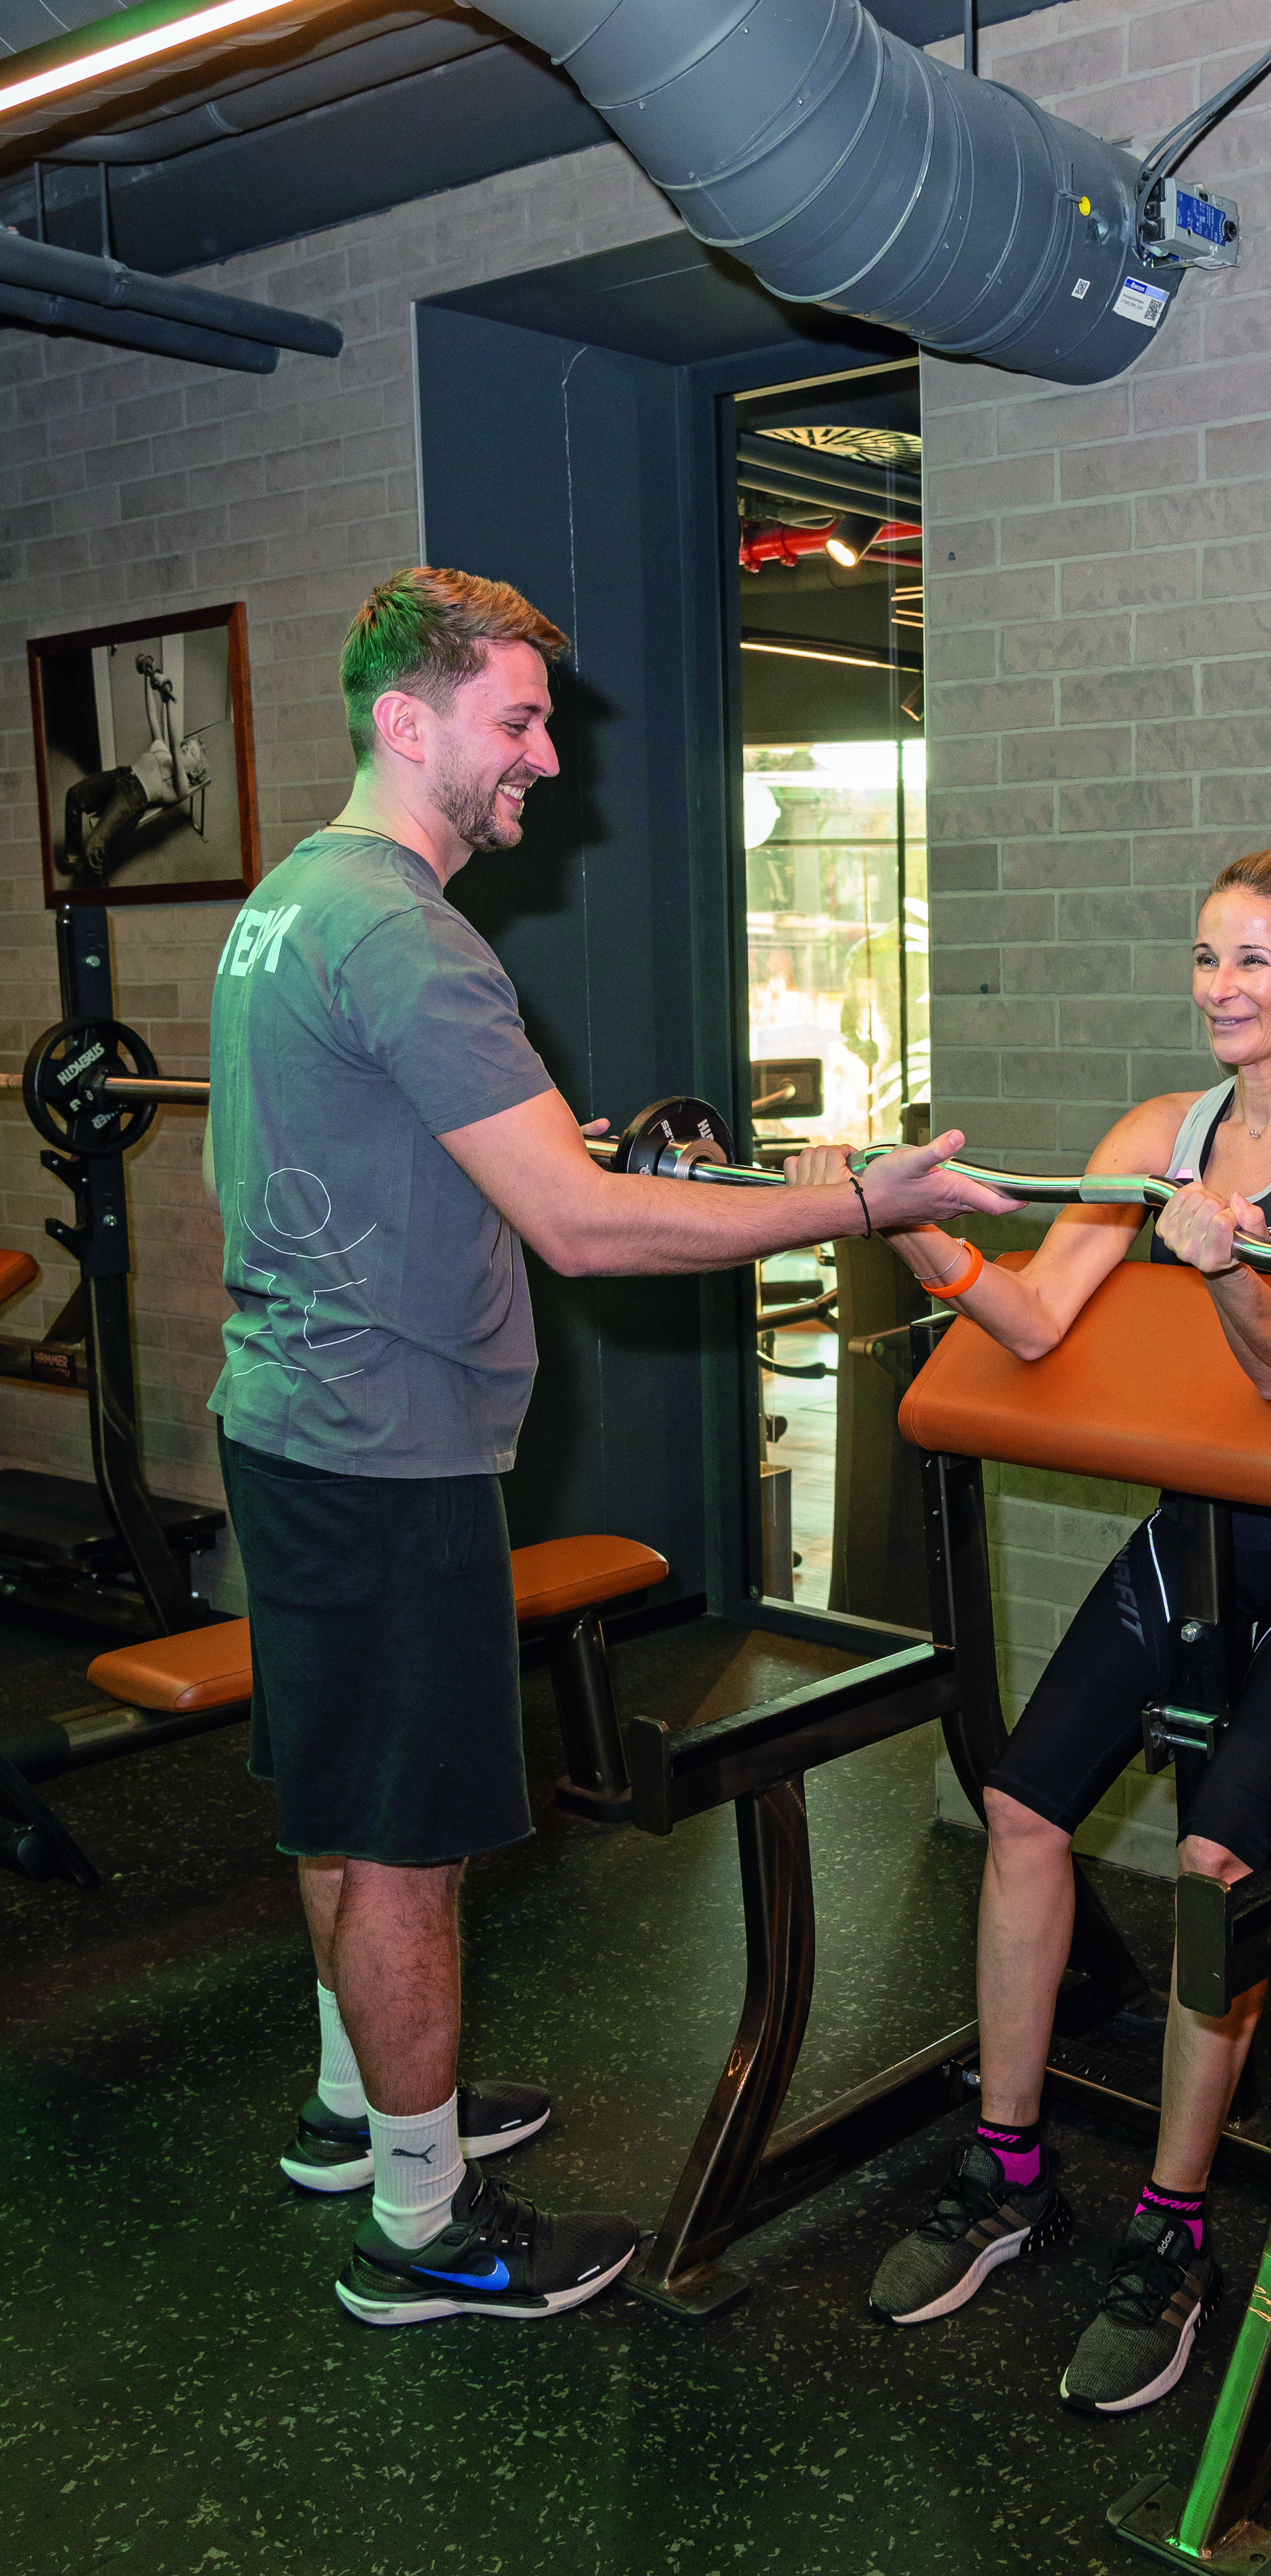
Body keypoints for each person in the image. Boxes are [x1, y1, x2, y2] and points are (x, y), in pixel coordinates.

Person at [204, 566, 1015, 2328]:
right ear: (407, 723)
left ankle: (359, 2110)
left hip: (292, 1419)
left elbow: (399, 1148)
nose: (544, 760)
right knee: (408, 1837)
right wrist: (858, 1195)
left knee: (340, 1793)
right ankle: (422, 2230)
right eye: (514, 721)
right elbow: (581, 1231)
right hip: (386, 1442)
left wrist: (537, 1152)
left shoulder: (290, 900)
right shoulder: (409, 932)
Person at [791, 845, 1271, 2415]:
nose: (1220, 987)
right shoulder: (1157, 1133)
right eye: (1206, 958)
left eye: (1254, 961)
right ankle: (1006, 2169)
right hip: (1197, 1533)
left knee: (1218, 1868)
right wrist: (906, 1217)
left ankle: (1174, 2228)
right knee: (1020, 1808)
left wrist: (1224, 1267)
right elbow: (1028, 1316)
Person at [61, 729, 209, 889]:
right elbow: (153, 716)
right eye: (187, 746)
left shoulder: (181, 786)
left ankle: (103, 899)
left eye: (193, 753)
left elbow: (175, 745)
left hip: (134, 796)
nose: (186, 749)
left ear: (193, 773)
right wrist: (162, 702)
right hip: (122, 774)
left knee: (93, 848)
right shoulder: (163, 753)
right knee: (74, 795)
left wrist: (173, 709)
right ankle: (73, 858)